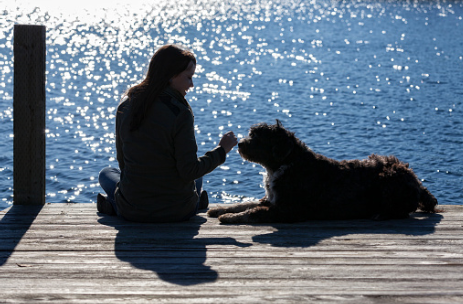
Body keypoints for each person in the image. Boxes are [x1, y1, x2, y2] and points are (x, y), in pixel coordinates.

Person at [97, 44, 238, 223]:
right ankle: (196, 199)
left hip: (133, 209)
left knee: (106, 173)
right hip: (178, 211)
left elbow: (123, 162)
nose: (192, 85)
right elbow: (189, 170)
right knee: (197, 176)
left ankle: (115, 204)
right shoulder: (180, 112)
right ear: (171, 76)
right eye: (189, 78)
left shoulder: (126, 105)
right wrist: (221, 150)